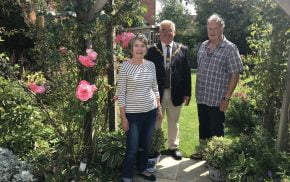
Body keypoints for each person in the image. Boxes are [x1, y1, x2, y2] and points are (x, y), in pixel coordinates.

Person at [192, 14, 243, 158]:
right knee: (203, 125)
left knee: (216, 128)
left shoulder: (230, 48)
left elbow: (235, 74)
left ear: (222, 28)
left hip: (217, 98)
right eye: (209, 28)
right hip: (202, 95)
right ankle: (203, 151)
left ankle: (215, 157)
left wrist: (226, 98)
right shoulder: (203, 45)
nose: (212, 31)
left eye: (215, 28)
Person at [117, 33, 162, 182]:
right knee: (132, 147)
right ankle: (127, 175)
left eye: (143, 46)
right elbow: (121, 93)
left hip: (150, 111)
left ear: (146, 49)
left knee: (146, 144)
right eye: (136, 45)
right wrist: (123, 117)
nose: (139, 48)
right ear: (131, 48)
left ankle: (143, 169)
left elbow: (155, 87)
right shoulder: (125, 66)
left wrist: (159, 107)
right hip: (133, 115)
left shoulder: (150, 65)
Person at [146, 20, 191, 160]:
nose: (166, 33)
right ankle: (155, 147)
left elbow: (186, 72)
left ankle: (173, 147)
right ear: (159, 33)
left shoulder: (182, 49)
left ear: (174, 32)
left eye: (169, 29)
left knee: (174, 120)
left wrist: (187, 93)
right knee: (156, 121)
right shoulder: (152, 50)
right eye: (163, 30)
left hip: (176, 92)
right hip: (157, 93)